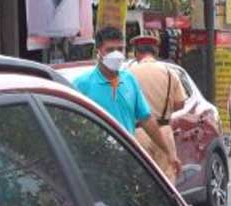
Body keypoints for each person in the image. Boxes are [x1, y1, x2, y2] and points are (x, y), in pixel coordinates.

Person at [73, 27, 179, 177]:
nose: (116, 54)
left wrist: (169, 153)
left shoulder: (129, 80)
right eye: (110, 50)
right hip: (95, 164)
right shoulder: (82, 84)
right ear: (98, 51)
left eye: (120, 49)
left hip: (126, 160)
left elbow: (146, 119)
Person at [127, 33, 188, 176]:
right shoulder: (169, 72)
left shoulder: (128, 74)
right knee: (167, 181)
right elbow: (180, 104)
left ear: (136, 52)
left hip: (139, 132)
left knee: (143, 180)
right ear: (156, 51)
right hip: (164, 131)